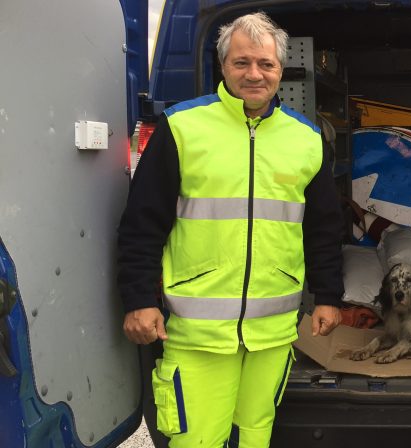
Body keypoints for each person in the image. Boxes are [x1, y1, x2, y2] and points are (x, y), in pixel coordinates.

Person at [116, 12, 344, 447]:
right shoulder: (183, 128)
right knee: (196, 440)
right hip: (196, 334)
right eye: (242, 63)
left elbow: (323, 229)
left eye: (266, 64)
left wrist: (329, 297)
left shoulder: (307, 139)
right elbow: (142, 224)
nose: (254, 74)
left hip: (273, 334)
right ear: (223, 66)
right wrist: (139, 300)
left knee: (255, 436)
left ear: (281, 69)